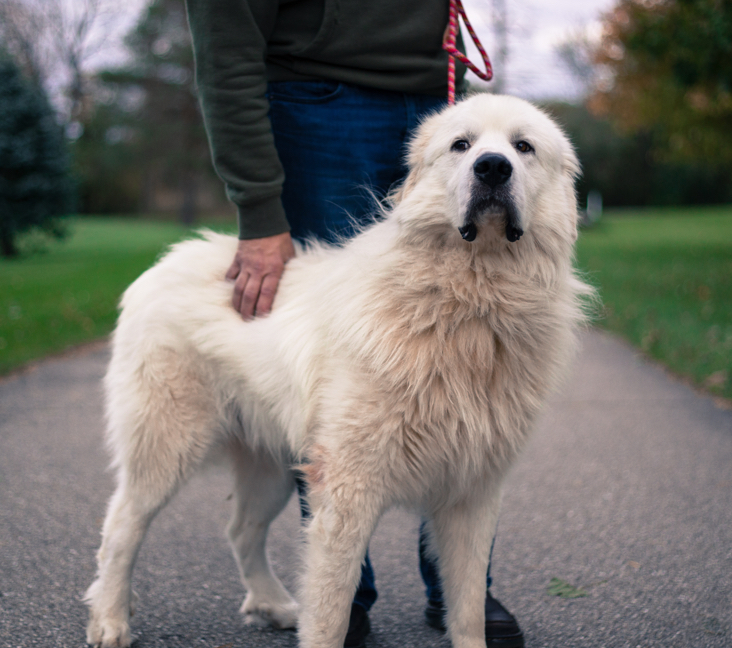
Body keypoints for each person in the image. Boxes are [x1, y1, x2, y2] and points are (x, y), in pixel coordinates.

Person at [184, 2, 524, 647]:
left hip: (436, 94)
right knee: (343, 379)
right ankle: (342, 600)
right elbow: (224, 38)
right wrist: (259, 211)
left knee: (476, 372)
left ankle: (460, 597)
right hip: (319, 100)